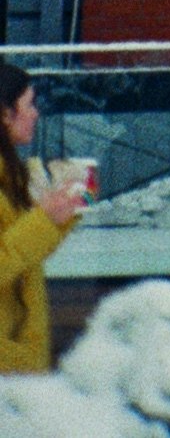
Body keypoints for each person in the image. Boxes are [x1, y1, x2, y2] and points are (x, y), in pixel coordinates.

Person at [0, 61, 87, 373]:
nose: (36, 113)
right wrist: (43, 218)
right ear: (5, 114)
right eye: (29, 104)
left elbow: (26, 252)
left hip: (19, 363)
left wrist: (72, 206)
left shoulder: (10, 176)